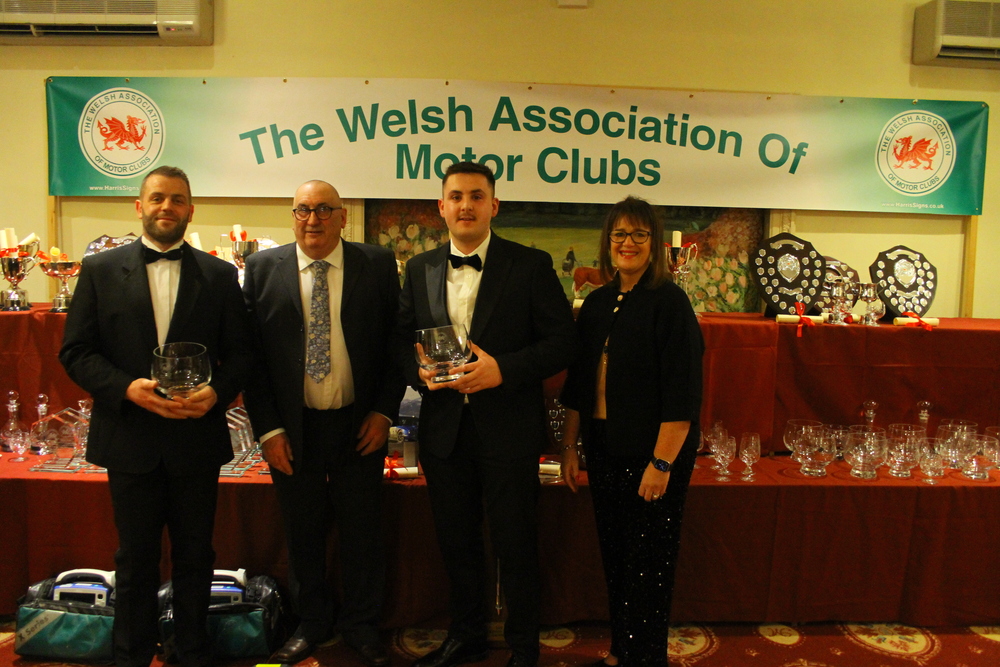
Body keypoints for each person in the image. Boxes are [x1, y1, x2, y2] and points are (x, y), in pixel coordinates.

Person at [60, 166, 253, 667]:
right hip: (130, 437)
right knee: (134, 560)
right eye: (158, 198)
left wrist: (216, 394)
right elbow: (76, 351)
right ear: (139, 206)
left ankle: (192, 653)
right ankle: (131, 655)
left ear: (191, 210)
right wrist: (126, 389)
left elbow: (242, 354)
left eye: (178, 199)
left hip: (196, 437)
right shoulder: (99, 270)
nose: (167, 207)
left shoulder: (219, 275)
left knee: (197, 557)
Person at [396, 162, 578, 667]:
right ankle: (466, 635)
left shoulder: (531, 265)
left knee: (515, 544)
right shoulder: (419, 267)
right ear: (441, 207)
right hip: (444, 432)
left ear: (494, 206)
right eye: (456, 196)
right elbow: (399, 342)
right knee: (456, 544)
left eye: (477, 196)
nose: (466, 205)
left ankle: (524, 647)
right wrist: (419, 372)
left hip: (509, 431)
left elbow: (564, 342)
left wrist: (504, 370)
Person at [242, 180, 405, 666]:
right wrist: (269, 430)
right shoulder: (261, 269)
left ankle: (361, 626)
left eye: (324, 210)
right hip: (292, 430)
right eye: (303, 210)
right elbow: (251, 359)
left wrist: (384, 412)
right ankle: (311, 623)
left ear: (342, 217)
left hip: (360, 424)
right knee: (302, 532)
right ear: (293, 216)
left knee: (362, 532)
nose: (312, 219)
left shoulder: (376, 264)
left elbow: (395, 345)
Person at [560, 196, 703, 667]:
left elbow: (682, 394)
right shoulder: (597, 303)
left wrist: (661, 463)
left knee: (648, 567)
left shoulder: (670, 303)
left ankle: (646, 657)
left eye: (639, 234)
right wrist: (570, 447)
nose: (628, 243)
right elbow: (579, 384)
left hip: (653, 457)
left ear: (654, 243)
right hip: (604, 451)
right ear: (608, 242)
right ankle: (622, 651)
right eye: (620, 234)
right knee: (617, 558)